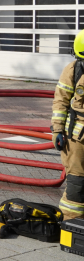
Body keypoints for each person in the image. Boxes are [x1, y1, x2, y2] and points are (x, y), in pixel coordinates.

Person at [52, 29, 84, 220]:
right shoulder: (73, 70)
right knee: (77, 183)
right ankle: (71, 227)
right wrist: (57, 130)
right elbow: (61, 102)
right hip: (76, 141)